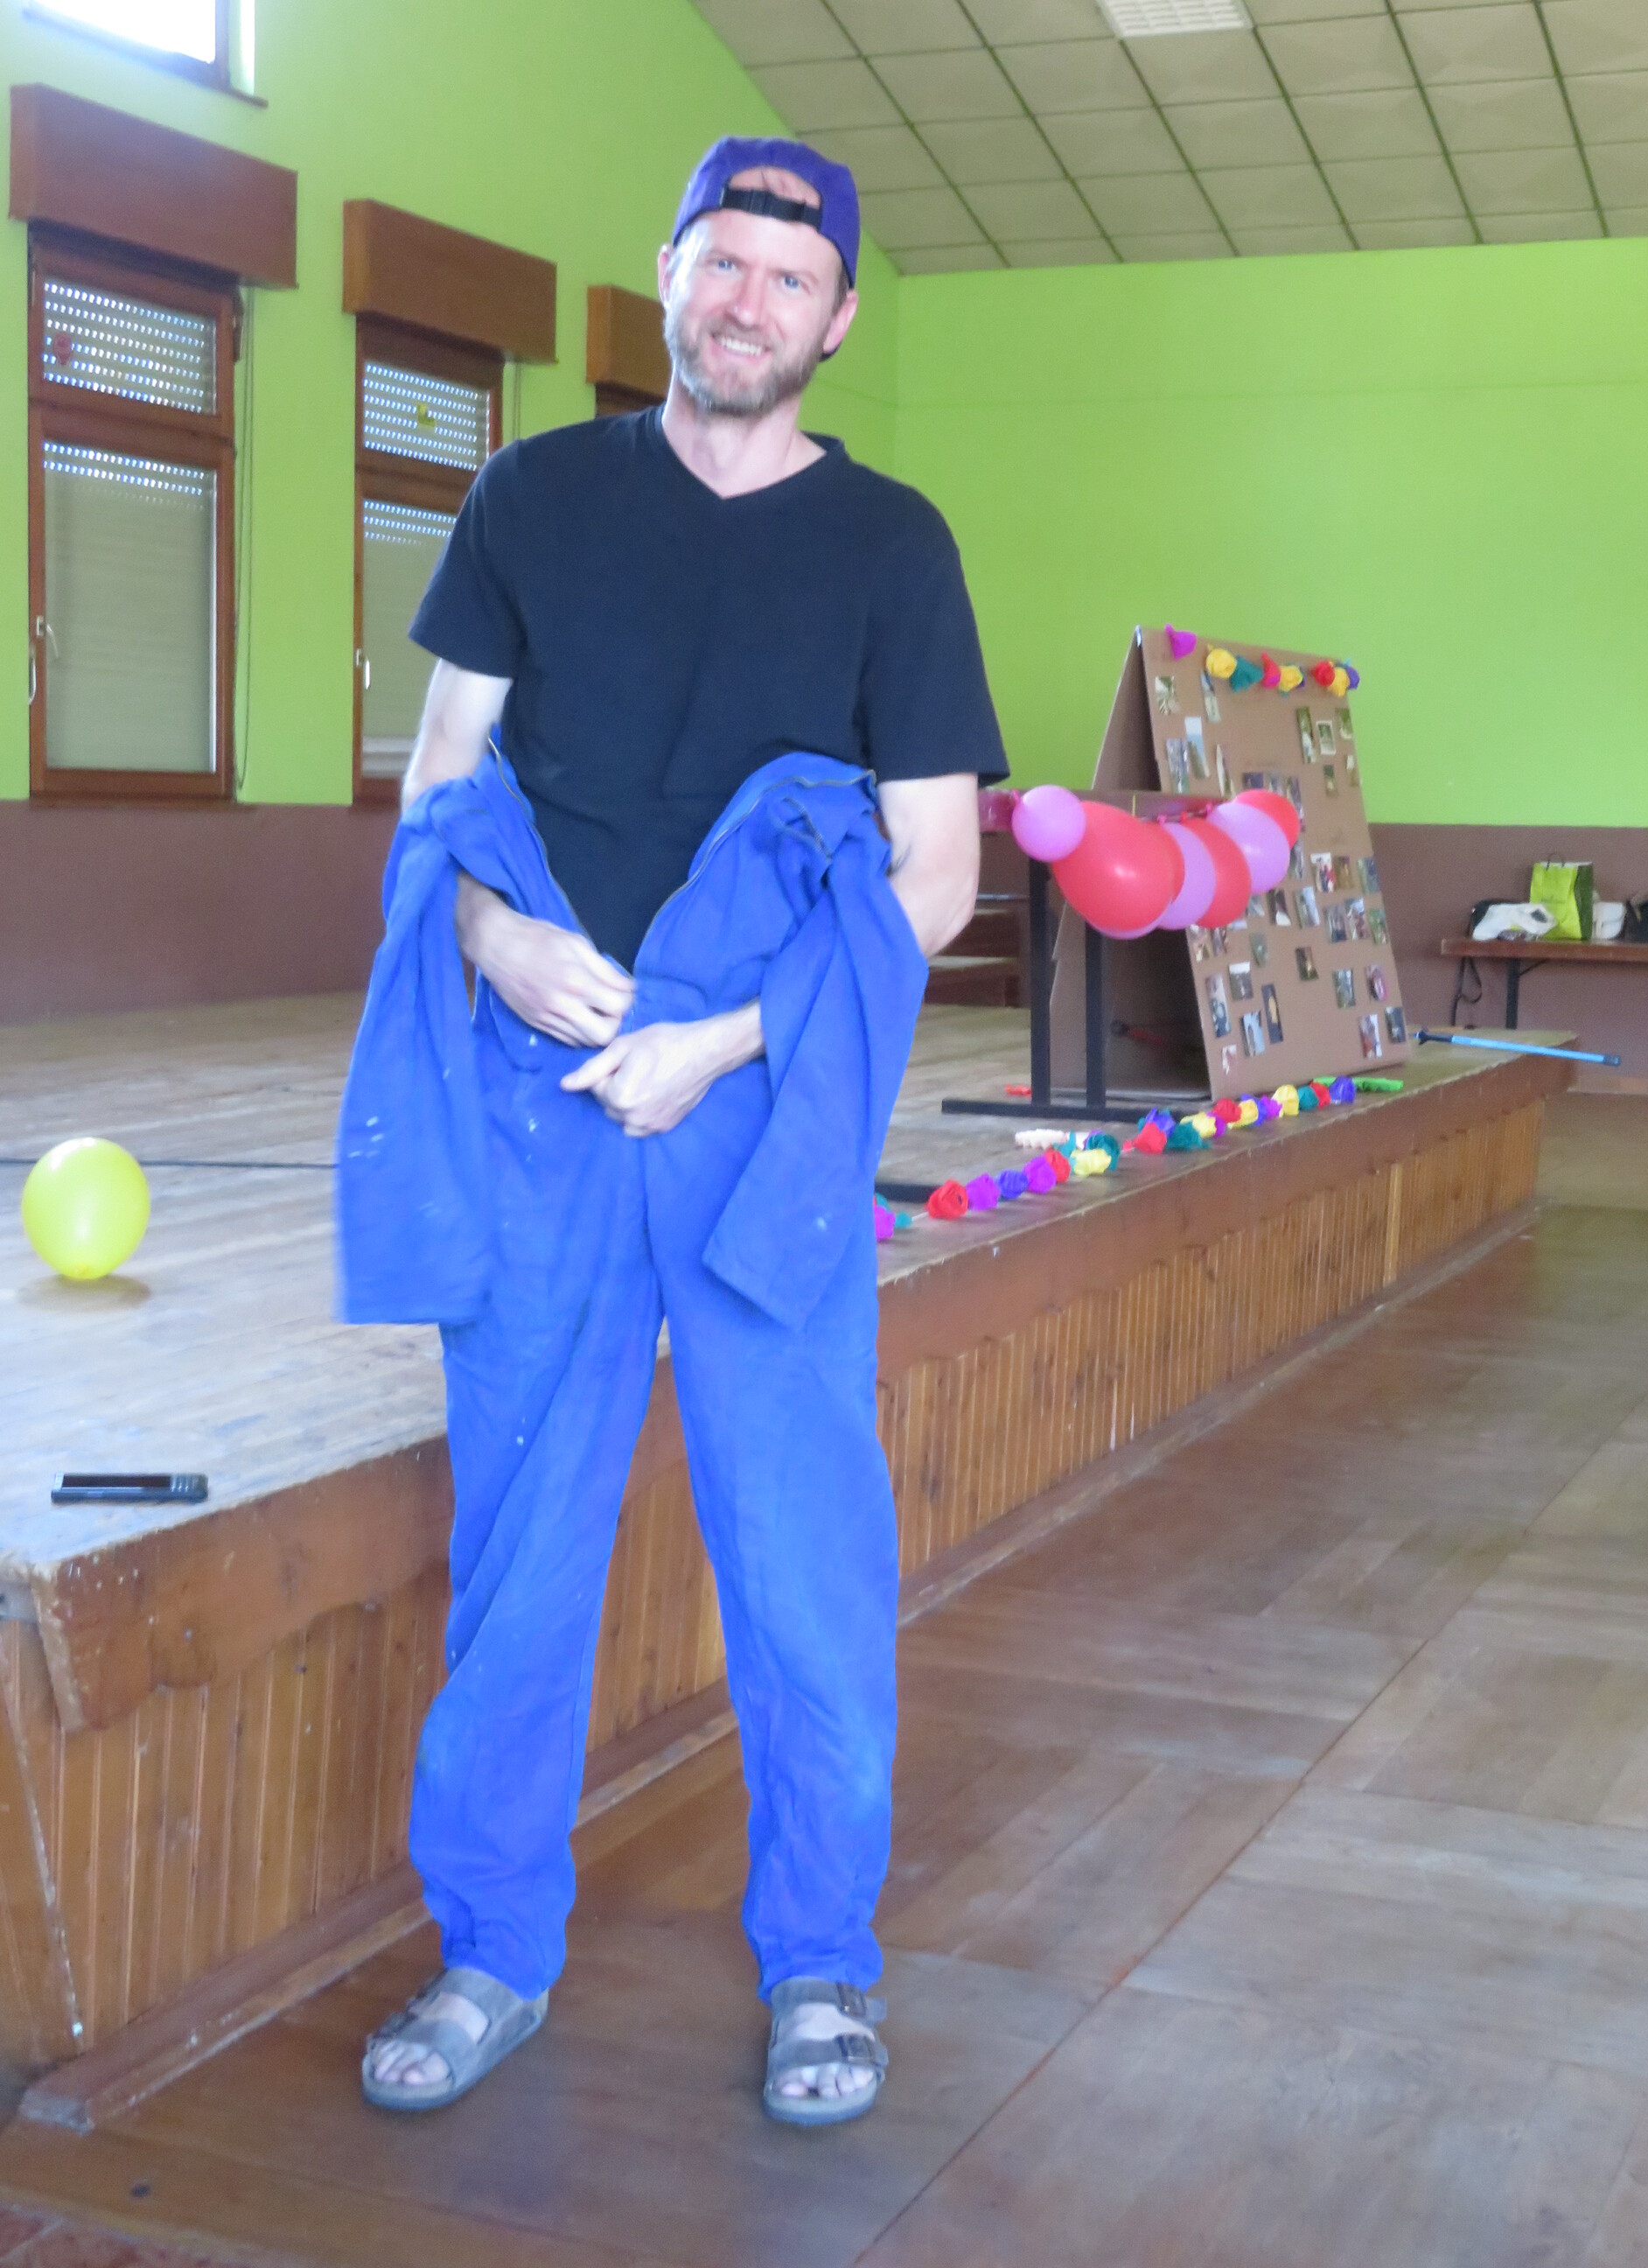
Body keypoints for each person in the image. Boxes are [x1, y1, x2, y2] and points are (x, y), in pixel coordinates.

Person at [355, 135, 1006, 2124]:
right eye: (721, 263)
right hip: (541, 1093)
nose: (748, 302)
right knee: (518, 1546)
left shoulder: (892, 546)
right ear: (669, 273)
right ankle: (492, 1949)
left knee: (802, 1556)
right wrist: (490, 934)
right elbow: (439, 780)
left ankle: (822, 1966)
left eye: (788, 281)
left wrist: (724, 1040)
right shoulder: (532, 496)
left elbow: (936, 877)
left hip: (756, 1109)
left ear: (838, 319)